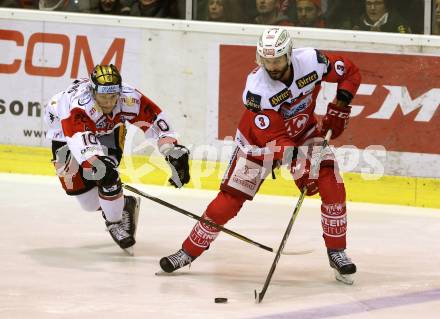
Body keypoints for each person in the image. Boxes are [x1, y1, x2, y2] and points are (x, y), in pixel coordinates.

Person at [160, 27, 361, 284]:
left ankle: (337, 252)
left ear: (289, 54)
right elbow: (275, 139)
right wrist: (301, 165)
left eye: (276, 59)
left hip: (303, 131)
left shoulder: (313, 61)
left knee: (331, 184)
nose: (272, 65)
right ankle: (187, 252)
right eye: (266, 60)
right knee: (228, 202)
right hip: (258, 143)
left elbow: (351, 72)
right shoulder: (257, 89)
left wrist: (340, 106)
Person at [44, 64, 190, 253]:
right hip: (64, 135)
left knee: (109, 175)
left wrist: (171, 149)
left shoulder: (129, 97)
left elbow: (155, 122)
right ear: (92, 91)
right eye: (103, 96)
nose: (108, 102)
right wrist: (96, 162)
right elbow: (80, 143)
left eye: (113, 96)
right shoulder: (77, 107)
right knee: (88, 203)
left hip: (109, 130)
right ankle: (126, 204)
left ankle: (114, 222)